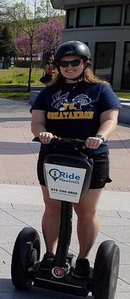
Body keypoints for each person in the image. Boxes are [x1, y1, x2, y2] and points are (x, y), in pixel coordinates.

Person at [30, 40, 120, 278]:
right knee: (53, 207)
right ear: (57, 65)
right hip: (55, 154)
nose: (69, 67)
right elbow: (37, 121)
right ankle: (50, 255)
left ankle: (82, 259)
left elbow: (110, 119)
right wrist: (42, 133)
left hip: (91, 155)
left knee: (86, 210)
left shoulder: (101, 89)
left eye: (74, 62)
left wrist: (99, 137)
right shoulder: (48, 92)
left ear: (85, 63)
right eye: (63, 63)